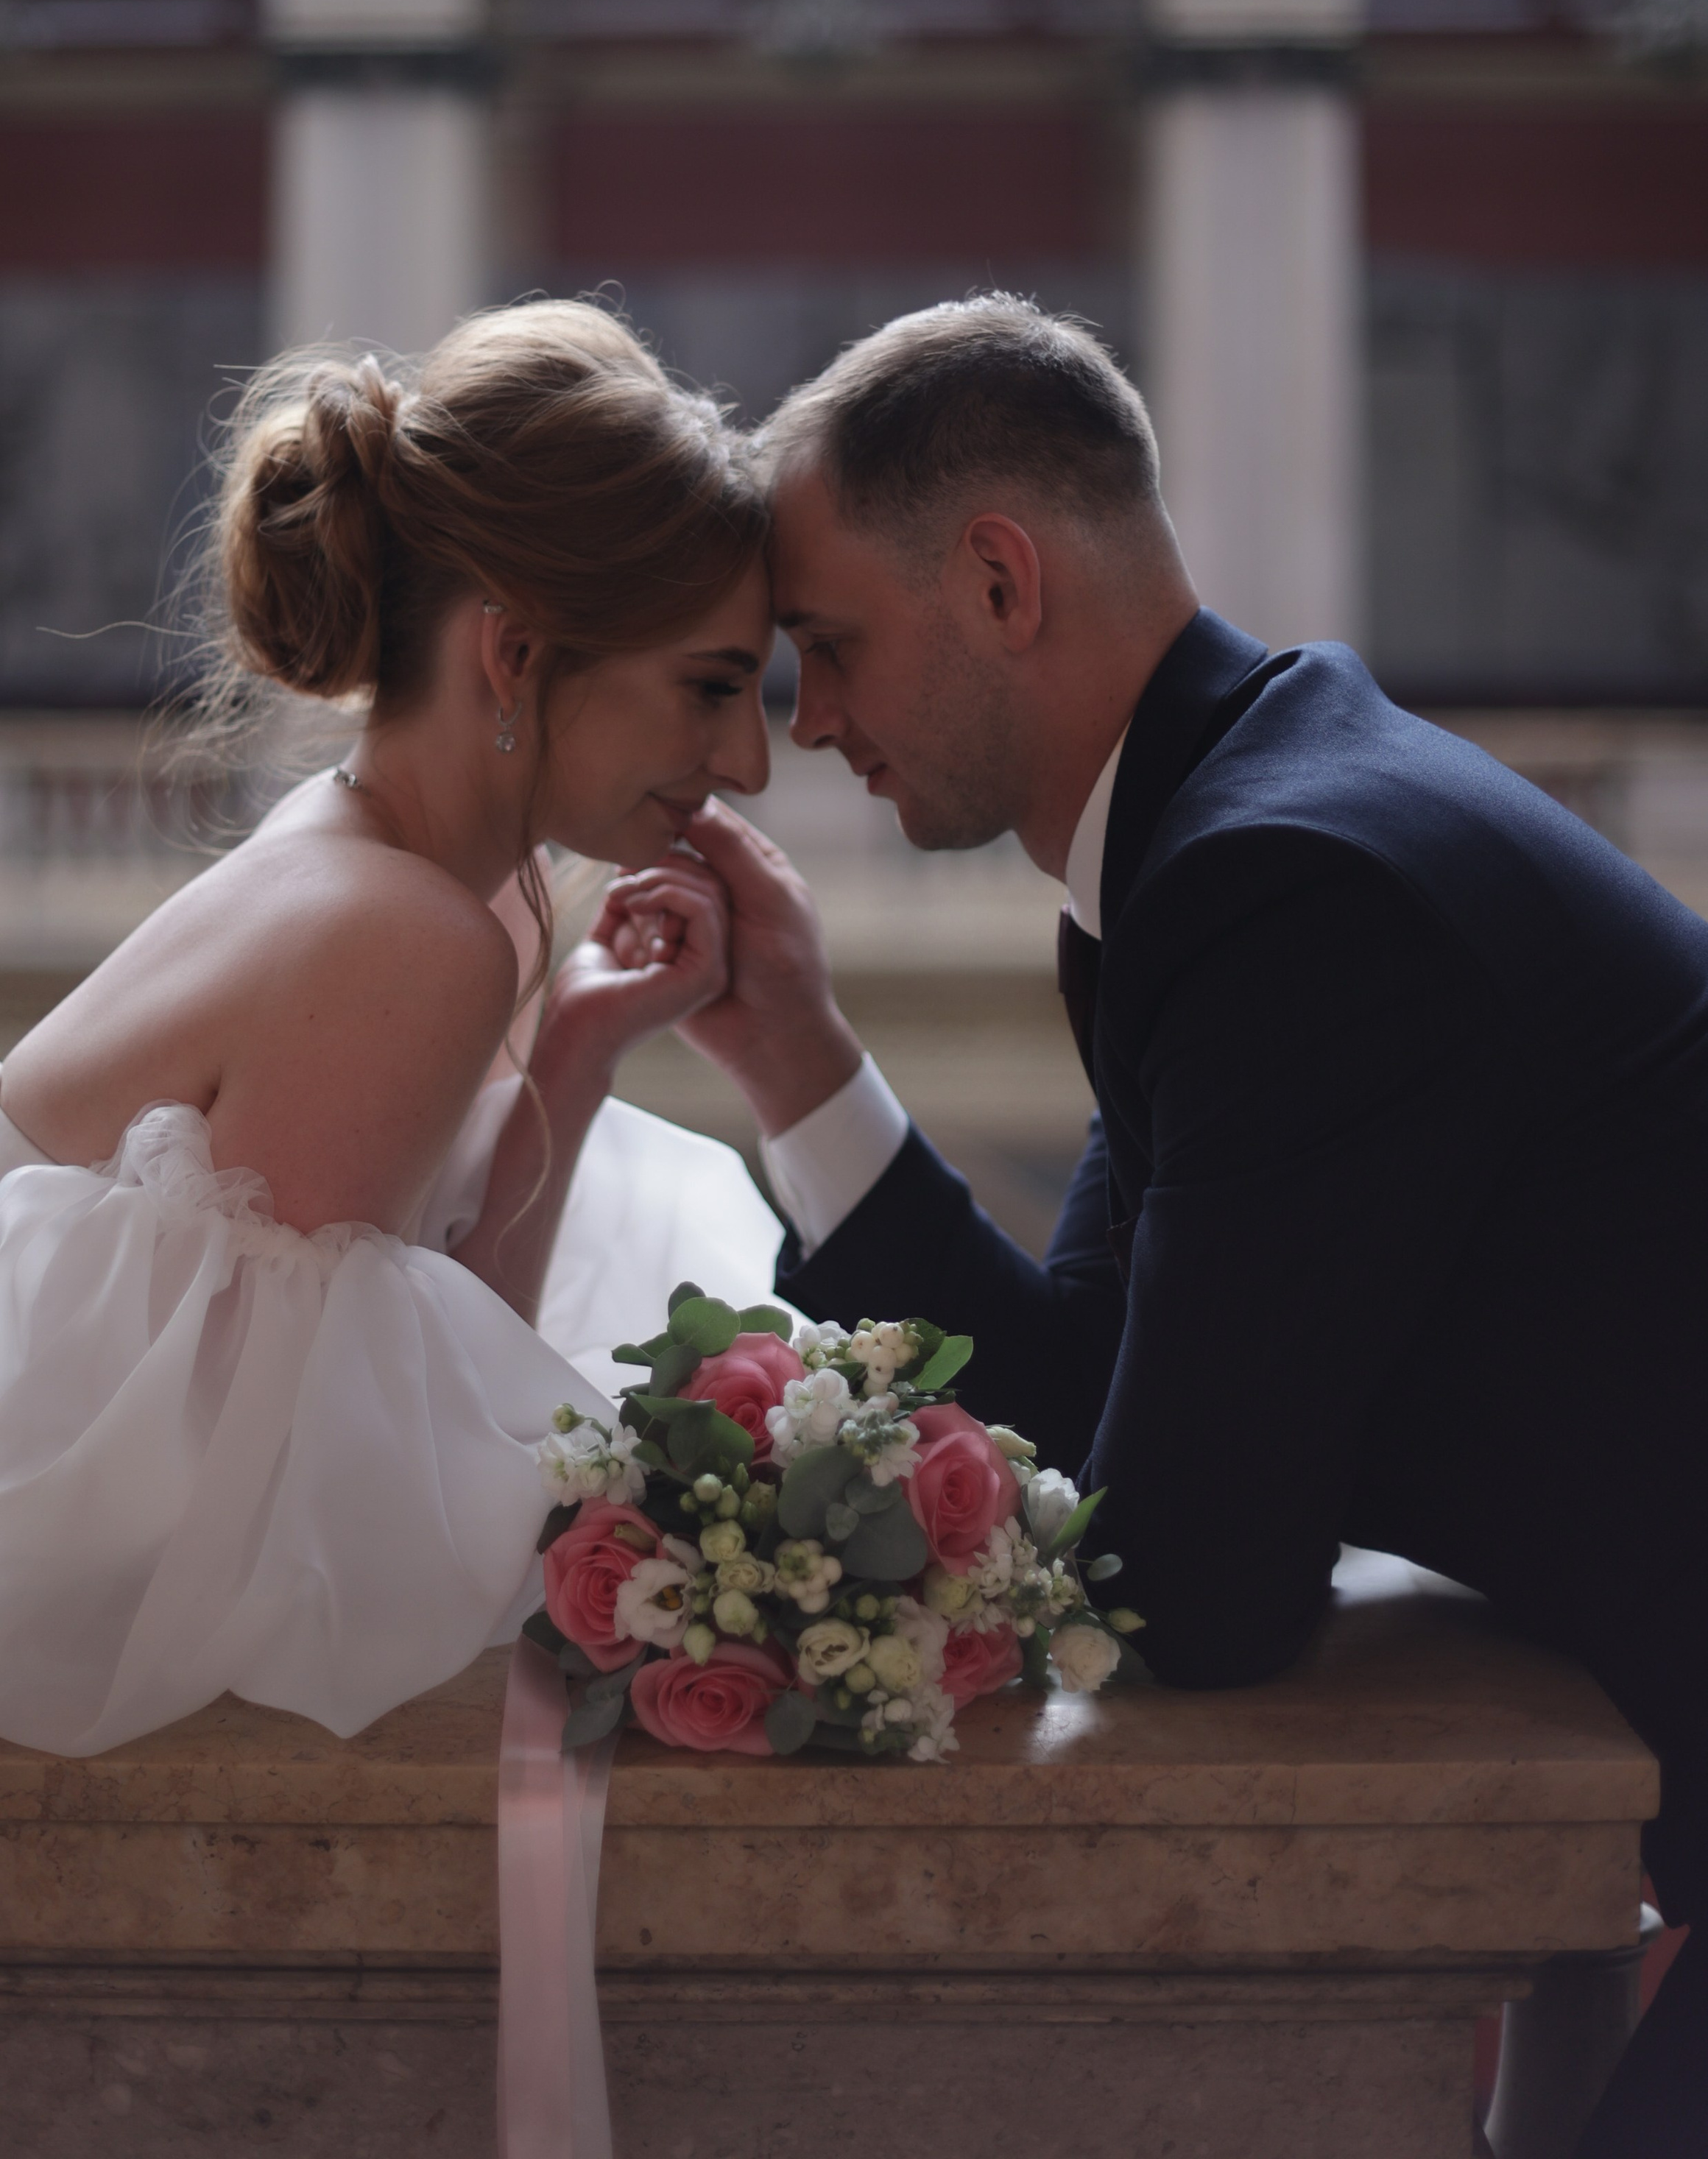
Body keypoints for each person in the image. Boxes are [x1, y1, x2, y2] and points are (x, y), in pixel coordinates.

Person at [606, 294, 1708, 2159]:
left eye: (826, 650)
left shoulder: (1283, 888)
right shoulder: (1227, 835)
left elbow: (1188, 1590)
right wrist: (794, 1059)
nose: (811, 733)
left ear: (997, 583)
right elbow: (1089, 1394)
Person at [0, 300, 786, 1773]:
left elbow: (423, 1351)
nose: (748, 763)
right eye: (710, 689)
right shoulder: (406, 933)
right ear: (515, 651)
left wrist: (574, 1060)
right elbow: (305, 1543)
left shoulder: (464, 893)